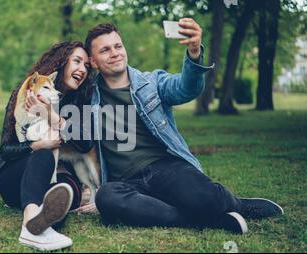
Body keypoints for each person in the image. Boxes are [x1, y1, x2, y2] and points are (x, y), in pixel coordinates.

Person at [84, 20, 284, 234]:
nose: (115, 53)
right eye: (105, 50)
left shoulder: (152, 82)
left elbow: (185, 89)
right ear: (93, 61)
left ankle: (238, 205)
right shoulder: (87, 97)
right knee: (106, 198)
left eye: (118, 46)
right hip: (127, 183)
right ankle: (206, 220)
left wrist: (194, 52)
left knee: (203, 197)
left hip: (166, 169)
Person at [0, 41, 94, 251]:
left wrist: (52, 116)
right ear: (61, 62)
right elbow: (5, 150)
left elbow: (85, 144)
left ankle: (42, 222)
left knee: (67, 195)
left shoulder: (81, 101)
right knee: (44, 154)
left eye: (87, 66)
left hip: (57, 179)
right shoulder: (25, 92)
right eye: (77, 61)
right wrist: (37, 145)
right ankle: (30, 226)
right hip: (16, 178)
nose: (82, 69)